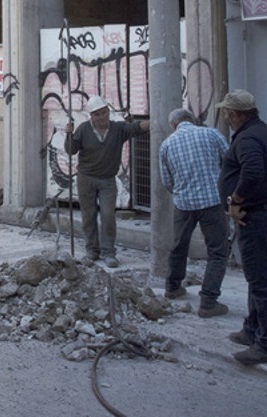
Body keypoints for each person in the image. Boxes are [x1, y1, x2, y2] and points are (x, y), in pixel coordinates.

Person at [216, 89, 267, 366]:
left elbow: (252, 172)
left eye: (227, 112)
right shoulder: (264, 132)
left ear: (237, 114)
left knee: (263, 283)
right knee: (261, 277)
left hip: (262, 218)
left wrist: (235, 201)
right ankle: (253, 329)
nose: (225, 117)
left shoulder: (249, 138)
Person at [159, 108, 230, 318]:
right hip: (212, 201)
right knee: (218, 251)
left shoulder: (167, 144)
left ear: (174, 125)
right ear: (193, 120)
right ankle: (208, 301)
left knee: (179, 245)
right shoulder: (212, 134)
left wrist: (182, 191)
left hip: (184, 203)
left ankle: (172, 287)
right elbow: (230, 162)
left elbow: (167, 181)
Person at [64, 95, 149, 268]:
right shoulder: (83, 129)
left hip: (107, 180)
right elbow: (71, 150)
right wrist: (68, 134)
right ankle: (92, 250)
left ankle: (109, 252)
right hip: (86, 178)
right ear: (91, 116)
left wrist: (155, 121)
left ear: (108, 112)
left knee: (108, 215)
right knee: (89, 216)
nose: (101, 117)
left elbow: (136, 128)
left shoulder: (118, 129)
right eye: (97, 114)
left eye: (103, 113)